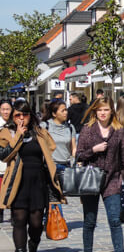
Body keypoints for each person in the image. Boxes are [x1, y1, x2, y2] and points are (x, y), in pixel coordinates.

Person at [76, 96, 124, 252]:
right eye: (100, 110)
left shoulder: (118, 130)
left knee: (114, 220)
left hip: (112, 180)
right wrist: (94, 150)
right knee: (90, 221)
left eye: (106, 110)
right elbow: (78, 155)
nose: (103, 113)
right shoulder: (87, 129)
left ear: (112, 111)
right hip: (90, 180)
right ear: (95, 111)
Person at [0, 99, 65, 252]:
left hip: (37, 182)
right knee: (19, 220)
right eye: (17, 115)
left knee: (36, 223)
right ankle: (20, 249)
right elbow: (4, 156)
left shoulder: (39, 131)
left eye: (25, 115)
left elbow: (51, 146)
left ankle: (33, 244)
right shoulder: (6, 132)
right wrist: (18, 136)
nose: (21, 118)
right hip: (18, 182)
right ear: (12, 117)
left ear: (31, 115)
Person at [41, 100, 76, 174]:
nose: (65, 113)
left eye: (66, 110)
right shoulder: (44, 126)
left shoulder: (70, 127)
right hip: (50, 166)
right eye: (62, 111)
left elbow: (73, 148)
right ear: (54, 114)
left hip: (66, 166)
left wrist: (73, 162)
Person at [0, 98, 12, 224]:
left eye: (7, 109)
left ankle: (14, 215)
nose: (5, 112)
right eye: (3, 109)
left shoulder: (14, 124)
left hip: (11, 164)